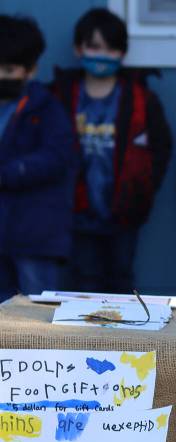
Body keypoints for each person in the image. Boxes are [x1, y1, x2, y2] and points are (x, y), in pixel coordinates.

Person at [52, 8, 171, 293]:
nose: (102, 55)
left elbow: (162, 147)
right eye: (94, 46)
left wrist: (142, 189)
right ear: (78, 48)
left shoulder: (141, 98)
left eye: (111, 47)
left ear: (122, 53)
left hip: (124, 210)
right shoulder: (61, 95)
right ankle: (88, 340)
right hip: (77, 212)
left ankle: (122, 340)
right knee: (84, 281)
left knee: (121, 280)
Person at [0, 15, 77, 301]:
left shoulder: (45, 108)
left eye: (9, 69)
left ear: (30, 69)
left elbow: (57, 157)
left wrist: (10, 172)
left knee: (39, 312)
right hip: (3, 233)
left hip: (36, 235)